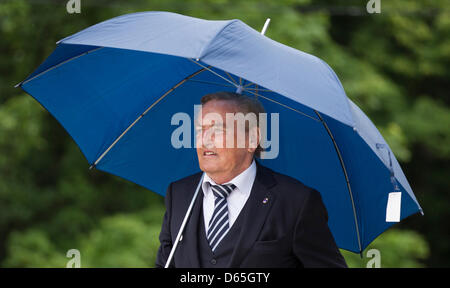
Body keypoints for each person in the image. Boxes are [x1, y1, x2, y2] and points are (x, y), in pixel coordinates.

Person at [155, 91, 347, 268]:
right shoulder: (179, 194)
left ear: (252, 139)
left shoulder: (296, 202)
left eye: (218, 130)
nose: (204, 140)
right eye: (199, 130)